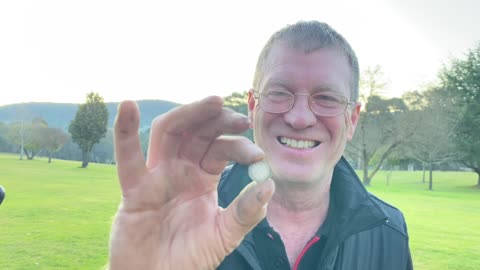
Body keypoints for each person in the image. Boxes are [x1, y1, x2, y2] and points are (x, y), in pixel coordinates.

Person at [108, 21, 413, 270]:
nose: (299, 117)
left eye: (327, 98)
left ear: (352, 119)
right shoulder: (185, 219)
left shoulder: (388, 232)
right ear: (252, 106)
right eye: (280, 92)